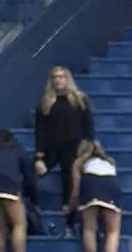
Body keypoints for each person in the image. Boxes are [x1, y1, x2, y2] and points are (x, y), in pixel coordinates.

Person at [34, 65, 97, 211]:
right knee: (31, 173)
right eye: (55, 77)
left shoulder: (79, 99)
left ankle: (68, 207)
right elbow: (40, 131)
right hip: (52, 146)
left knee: (70, 176)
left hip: (74, 146)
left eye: (61, 77)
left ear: (67, 79)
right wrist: (39, 156)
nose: (58, 80)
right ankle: (33, 205)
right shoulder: (46, 103)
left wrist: (88, 144)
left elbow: (88, 124)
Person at [73, 141, 123, 252]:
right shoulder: (110, 162)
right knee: (113, 231)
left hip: (90, 185)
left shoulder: (79, 163)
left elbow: (76, 188)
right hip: (109, 185)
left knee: (89, 228)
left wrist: (71, 205)